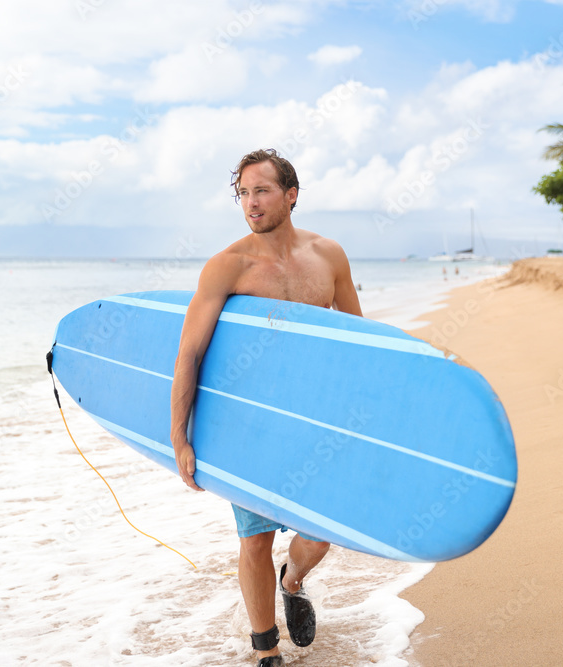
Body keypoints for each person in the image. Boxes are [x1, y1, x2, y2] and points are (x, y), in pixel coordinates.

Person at [169, 149, 363, 667]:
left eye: (262, 191)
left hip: (314, 418)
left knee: (322, 533)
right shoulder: (228, 267)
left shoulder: (328, 256)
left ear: (291, 195)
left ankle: (293, 579)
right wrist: (180, 436)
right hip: (247, 424)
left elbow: (358, 343)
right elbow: (189, 351)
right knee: (254, 540)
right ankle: (266, 652)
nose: (251, 204)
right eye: (243, 194)